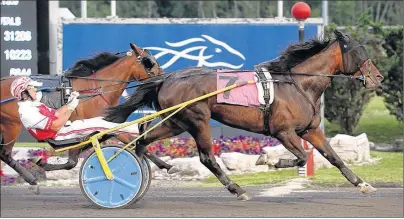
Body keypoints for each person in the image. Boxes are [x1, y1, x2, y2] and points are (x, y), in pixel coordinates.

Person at [11, 76, 140, 143]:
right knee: (101, 124)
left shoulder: (33, 105)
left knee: (100, 120)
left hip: (65, 129)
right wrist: (71, 108)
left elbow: (56, 114)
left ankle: (135, 128)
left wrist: (70, 103)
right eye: (31, 88)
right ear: (23, 93)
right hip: (61, 135)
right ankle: (137, 130)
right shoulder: (27, 112)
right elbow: (55, 126)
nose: (34, 89)